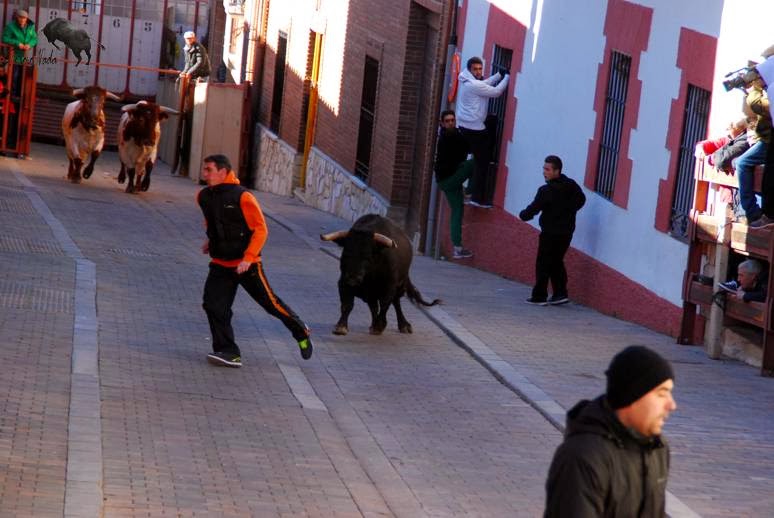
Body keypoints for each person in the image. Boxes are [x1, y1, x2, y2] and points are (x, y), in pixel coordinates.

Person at [197, 154, 313, 367]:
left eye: (208, 170)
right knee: (213, 306)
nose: (204, 174)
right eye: (204, 169)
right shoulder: (203, 196)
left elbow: (261, 230)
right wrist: (210, 241)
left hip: (247, 266)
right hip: (221, 264)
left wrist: (248, 258)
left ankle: (301, 331)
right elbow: (212, 223)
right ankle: (228, 352)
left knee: (271, 304)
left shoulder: (243, 196)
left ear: (223, 172)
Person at [544, 345, 677, 517]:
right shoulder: (583, 457)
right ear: (633, 396)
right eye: (661, 394)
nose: (671, 405)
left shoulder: (656, 447)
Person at [519, 155, 586, 306]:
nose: (544, 172)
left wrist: (523, 215)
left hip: (550, 232)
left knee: (543, 263)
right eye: (544, 169)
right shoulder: (571, 186)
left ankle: (539, 296)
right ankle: (560, 293)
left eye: (548, 169)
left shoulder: (546, 191)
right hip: (566, 232)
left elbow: (534, 208)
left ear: (557, 171)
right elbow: (581, 200)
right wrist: (570, 210)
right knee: (556, 261)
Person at [455, 56, 509, 208]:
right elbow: (497, 92)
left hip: (467, 126)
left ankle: (468, 190)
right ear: (470, 70)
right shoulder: (473, 85)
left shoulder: (467, 80)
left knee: (476, 159)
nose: (479, 72)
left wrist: (498, 75)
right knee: (482, 162)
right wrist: (507, 77)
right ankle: (478, 197)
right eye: (476, 69)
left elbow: (484, 84)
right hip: (474, 129)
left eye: (480, 68)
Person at [732, 69, 771, 228]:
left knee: (742, 163)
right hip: (765, 138)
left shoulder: (766, 89)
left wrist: (754, 88)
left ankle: (753, 213)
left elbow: (762, 106)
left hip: (768, 140)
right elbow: (749, 111)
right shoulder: (765, 88)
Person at [435, 110, 474, 259]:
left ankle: (457, 248)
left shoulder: (452, 134)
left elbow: (465, 146)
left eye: (452, 120)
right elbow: (467, 147)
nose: (451, 123)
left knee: (457, 211)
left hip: (446, 181)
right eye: (447, 121)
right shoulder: (448, 137)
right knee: (474, 163)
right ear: (442, 123)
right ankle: (469, 193)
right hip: (449, 179)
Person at [2, 8, 37, 155]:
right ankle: (12, 95)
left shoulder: (30, 27)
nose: (22, 20)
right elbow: (5, 39)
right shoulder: (10, 27)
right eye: (21, 18)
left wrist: (29, 44)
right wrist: (18, 43)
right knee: (14, 80)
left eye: (24, 19)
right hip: (14, 60)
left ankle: (19, 96)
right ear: (17, 18)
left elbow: (34, 38)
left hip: (24, 60)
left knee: (23, 83)